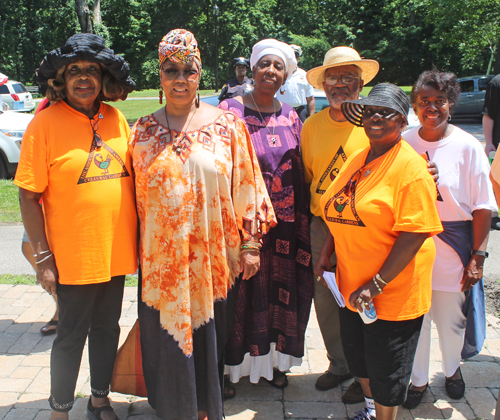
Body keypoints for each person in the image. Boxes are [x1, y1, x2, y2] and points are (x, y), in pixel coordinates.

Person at [131, 29, 276, 420]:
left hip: (213, 263)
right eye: (171, 70)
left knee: (209, 339)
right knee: (164, 343)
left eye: (189, 71)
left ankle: (203, 410)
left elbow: (248, 186)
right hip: (160, 268)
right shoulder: (140, 133)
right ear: (159, 76)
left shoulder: (228, 126)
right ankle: (173, 410)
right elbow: (128, 201)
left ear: (200, 74)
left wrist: (250, 245)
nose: (180, 79)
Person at [14, 33, 137, 420]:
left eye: (91, 70)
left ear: (103, 77)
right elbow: (28, 197)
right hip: (71, 258)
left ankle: (99, 400)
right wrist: (43, 258)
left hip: (115, 253)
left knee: (107, 330)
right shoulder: (45, 124)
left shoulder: (116, 119)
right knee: (69, 337)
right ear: (60, 80)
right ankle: (59, 410)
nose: (83, 77)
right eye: (74, 71)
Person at [316, 83, 443, 420]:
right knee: (361, 360)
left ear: (402, 121)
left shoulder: (411, 168)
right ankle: (371, 412)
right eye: (371, 111)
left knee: (387, 371)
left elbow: (414, 234)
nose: (375, 117)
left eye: (385, 112)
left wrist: (376, 285)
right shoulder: (359, 156)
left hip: (391, 291)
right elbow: (339, 206)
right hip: (350, 284)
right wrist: (327, 251)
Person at [219, 39, 313, 391]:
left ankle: (274, 364)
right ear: (252, 69)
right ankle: (230, 369)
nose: (270, 72)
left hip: (286, 227)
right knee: (238, 297)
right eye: (264, 65)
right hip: (242, 224)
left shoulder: (290, 114)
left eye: (278, 66)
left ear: (286, 74)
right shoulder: (229, 111)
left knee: (280, 295)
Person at [402, 70, 496, 408]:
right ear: (414, 106)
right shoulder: (403, 142)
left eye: (439, 101)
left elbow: (484, 208)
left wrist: (478, 257)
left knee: (451, 319)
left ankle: (453, 371)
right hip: (410, 248)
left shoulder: (468, 146)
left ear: (450, 105)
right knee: (416, 320)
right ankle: (418, 380)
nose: (431, 107)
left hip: (453, 247)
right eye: (424, 101)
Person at [301, 46, 379, 403]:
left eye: (349, 77)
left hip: (364, 228)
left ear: (361, 84)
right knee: (326, 297)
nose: (340, 84)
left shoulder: (374, 122)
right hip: (322, 227)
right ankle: (340, 363)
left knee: (364, 295)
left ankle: (368, 369)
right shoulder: (311, 126)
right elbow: (308, 177)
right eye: (333, 77)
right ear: (323, 83)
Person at [276, 44, 315, 122]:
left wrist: (311, 119)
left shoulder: (304, 75)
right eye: (291, 56)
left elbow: (310, 99)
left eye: (295, 56)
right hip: (281, 111)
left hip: (300, 111)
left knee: (302, 133)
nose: (293, 59)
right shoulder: (278, 73)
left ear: (298, 59)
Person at [482, 73, 500, 230]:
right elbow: (489, 115)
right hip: (499, 143)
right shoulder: (496, 82)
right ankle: (494, 215)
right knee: (496, 179)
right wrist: (488, 142)